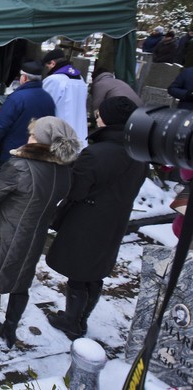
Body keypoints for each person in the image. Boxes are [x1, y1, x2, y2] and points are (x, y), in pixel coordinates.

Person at [0, 116, 79, 353]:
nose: (29, 138)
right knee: (20, 284)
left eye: (34, 135)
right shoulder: (64, 171)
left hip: (6, 233)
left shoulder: (20, 167)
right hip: (35, 236)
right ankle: (9, 328)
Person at [45, 97, 148, 339]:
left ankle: (72, 321)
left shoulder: (95, 154)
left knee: (79, 272)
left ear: (110, 120)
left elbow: (76, 190)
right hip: (115, 219)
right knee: (95, 270)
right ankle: (81, 319)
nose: (96, 116)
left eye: (100, 114)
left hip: (87, 220)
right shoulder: (138, 153)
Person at [0, 61, 55, 164]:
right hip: (38, 153)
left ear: (24, 78)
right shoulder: (48, 98)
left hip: (14, 152)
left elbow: (1, 125)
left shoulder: (17, 98)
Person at [41, 48, 88, 146]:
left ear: (53, 63)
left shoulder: (54, 80)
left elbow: (45, 105)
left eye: (47, 66)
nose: (48, 69)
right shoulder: (81, 79)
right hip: (80, 132)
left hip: (61, 133)